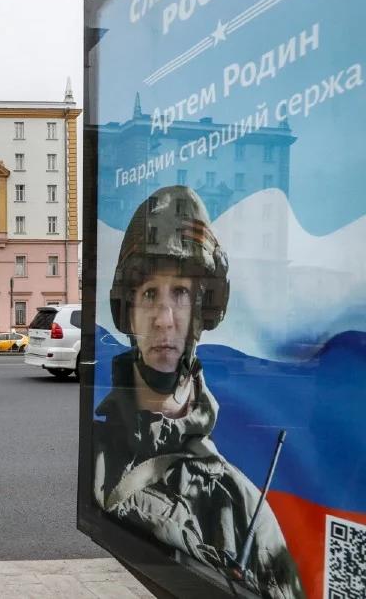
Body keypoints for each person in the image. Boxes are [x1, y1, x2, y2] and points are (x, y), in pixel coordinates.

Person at [94, 185, 303, 599]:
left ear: (201, 311)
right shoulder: (97, 454)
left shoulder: (239, 503)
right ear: (129, 307)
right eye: (150, 293)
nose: (165, 318)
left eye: (181, 294)